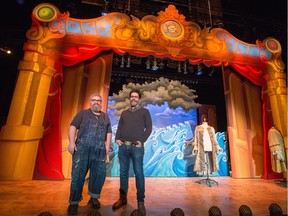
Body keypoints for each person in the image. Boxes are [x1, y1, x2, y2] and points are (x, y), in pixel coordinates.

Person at [67, 93, 112, 215]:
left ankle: (93, 198)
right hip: (82, 150)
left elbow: (109, 132)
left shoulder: (105, 117)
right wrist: (71, 143)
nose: (96, 102)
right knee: (77, 177)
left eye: (98, 100)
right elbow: (72, 127)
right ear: (90, 101)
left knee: (98, 176)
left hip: (99, 151)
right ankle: (73, 202)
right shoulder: (82, 114)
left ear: (101, 103)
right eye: (94, 100)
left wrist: (107, 146)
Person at [112, 89, 152, 216]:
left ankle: (140, 201)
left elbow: (149, 127)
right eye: (132, 96)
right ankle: (123, 199)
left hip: (137, 148)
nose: (133, 98)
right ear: (130, 98)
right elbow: (119, 127)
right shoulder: (124, 113)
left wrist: (142, 140)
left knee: (139, 173)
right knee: (123, 173)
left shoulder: (145, 112)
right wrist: (117, 139)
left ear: (139, 99)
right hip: (123, 147)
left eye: (136, 97)